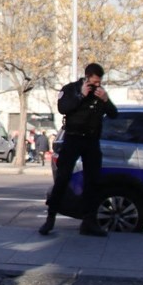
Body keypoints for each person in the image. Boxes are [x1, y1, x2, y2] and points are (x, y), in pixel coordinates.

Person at [39, 62, 118, 236]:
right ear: (87, 77)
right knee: (62, 178)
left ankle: (89, 222)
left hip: (91, 141)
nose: (96, 86)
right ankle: (50, 218)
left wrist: (106, 100)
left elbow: (114, 114)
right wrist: (80, 96)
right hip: (73, 139)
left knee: (93, 182)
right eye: (94, 82)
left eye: (99, 82)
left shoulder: (100, 94)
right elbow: (62, 108)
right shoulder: (71, 89)